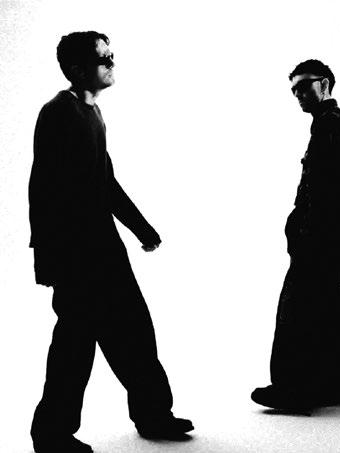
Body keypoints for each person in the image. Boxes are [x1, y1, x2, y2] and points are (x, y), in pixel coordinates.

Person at [29, 31, 193, 453]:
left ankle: (154, 414)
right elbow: (41, 188)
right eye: (104, 58)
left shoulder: (93, 114)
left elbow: (106, 182)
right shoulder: (58, 113)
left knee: (134, 331)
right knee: (75, 344)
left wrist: (142, 229)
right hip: (75, 257)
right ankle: (51, 435)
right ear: (78, 69)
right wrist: (46, 260)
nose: (112, 63)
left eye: (111, 55)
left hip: (104, 250)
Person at [251, 59, 340, 413]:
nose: (298, 94)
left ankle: (292, 389)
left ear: (325, 84)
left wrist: (301, 229)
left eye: (304, 86)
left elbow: (323, 189)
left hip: (321, 238)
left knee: (296, 309)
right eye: (294, 89)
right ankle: (335, 385)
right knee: (328, 306)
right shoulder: (336, 123)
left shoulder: (331, 124)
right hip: (334, 237)